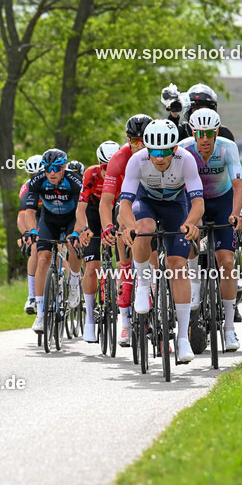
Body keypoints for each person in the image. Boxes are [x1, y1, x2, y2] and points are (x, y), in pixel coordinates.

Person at [118, 119, 205, 363]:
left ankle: (183, 339)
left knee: (178, 266)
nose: (159, 158)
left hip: (176, 205)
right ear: (147, 148)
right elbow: (125, 202)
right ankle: (143, 284)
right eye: (154, 151)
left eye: (165, 152)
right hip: (145, 201)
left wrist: (190, 222)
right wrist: (130, 226)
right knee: (143, 229)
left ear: (174, 149)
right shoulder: (137, 160)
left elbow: (198, 202)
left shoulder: (186, 159)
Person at [178, 107, 242, 351]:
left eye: (209, 133)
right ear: (193, 132)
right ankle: (194, 286)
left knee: (226, 262)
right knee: (189, 241)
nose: (204, 139)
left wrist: (235, 215)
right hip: (194, 200)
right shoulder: (184, 148)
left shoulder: (228, 147)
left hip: (221, 201)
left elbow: (238, 186)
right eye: (199, 133)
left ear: (216, 132)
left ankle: (229, 328)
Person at [99, 114, 152, 346]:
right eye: (134, 141)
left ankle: (162, 313)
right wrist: (107, 228)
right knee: (122, 218)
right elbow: (105, 202)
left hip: (156, 201)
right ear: (127, 141)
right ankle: (126, 270)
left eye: (143, 141)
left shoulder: (162, 155)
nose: (138, 146)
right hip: (129, 201)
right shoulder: (119, 159)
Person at [21, 149, 85, 333]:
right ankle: (41, 314)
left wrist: (78, 231)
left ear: (64, 167)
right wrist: (32, 230)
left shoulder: (74, 181)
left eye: (56, 168)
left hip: (71, 218)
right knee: (43, 258)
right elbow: (30, 212)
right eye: (48, 168)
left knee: (73, 246)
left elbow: (82, 210)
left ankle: (74, 283)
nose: (52, 173)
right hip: (49, 220)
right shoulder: (38, 180)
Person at [75, 140, 121, 343]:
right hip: (94, 213)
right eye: (104, 167)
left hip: (115, 210)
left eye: (111, 167)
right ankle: (90, 321)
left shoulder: (124, 172)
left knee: (123, 263)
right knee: (92, 267)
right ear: (98, 163)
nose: (107, 171)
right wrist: (84, 228)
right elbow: (81, 208)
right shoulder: (91, 174)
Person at [160, 83, 236, 142]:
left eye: (203, 108)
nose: (200, 112)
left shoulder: (223, 133)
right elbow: (167, 140)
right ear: (189, 111)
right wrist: (174, 114)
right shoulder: (183, 130)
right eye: (196, 109)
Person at [17, 154, 44, 313]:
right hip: (36, 217)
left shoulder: (54, 183)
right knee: (35, 247)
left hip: (54, 214)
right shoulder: (27, 188)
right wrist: (26, 234)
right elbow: (22, 216)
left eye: (37, 175)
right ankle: (32, 296)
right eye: (31, 175)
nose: (35, 178)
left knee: (62, 245)